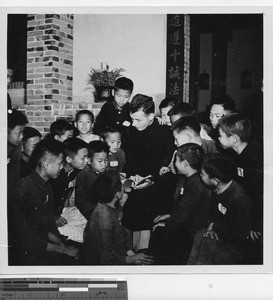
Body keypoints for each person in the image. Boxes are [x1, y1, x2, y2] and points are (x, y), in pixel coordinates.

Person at [10, 139, 79, 265]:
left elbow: (46, 226)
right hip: (29, 252)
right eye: (60, 163)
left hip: (45, 242)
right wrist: (62, 249)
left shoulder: (47, 187)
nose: (62, 167)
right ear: (46, 164)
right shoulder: (22, 191)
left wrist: (61, 244)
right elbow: (25, 238)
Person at [122, 94, 175, 250]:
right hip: (135, 185)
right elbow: (129, 162)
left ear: (151, 116)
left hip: (157, 189)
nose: (133, 123)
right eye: (132, 119)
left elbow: (166, 168)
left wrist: (150, 180)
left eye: (138, 120)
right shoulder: (131, 132)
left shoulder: (165, 134)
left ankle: (143, 254)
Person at [150, 143, 211, 265]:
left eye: (175, 160)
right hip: (186, 225)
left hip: (189, 232)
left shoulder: (195, 184)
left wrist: (167, 225)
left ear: (185, 164)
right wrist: (169, 216)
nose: (173, 163)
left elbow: (184, 215)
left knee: (159, 233)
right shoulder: (191, 179)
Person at [217, 113, 263, 262]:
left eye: (221, 135)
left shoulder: (254, 159)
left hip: (255, 219)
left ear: (234, 139)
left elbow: (260, 195)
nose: (218, 139)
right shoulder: (236, 155)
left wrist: (256, 224)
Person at [82, 170, 154, 265]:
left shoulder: (110, 207)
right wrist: (132, 259)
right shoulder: (103, 218)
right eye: (121, 184)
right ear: (117, 193)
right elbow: (106, 258)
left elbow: (121, 233)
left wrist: (130, 253)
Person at [197, 153, 252, 264]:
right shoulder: (217, 188)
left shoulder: (238, 198)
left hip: (233, 245)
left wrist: (215, 227)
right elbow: (215, 212)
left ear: (215, 181)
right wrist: (211, 225)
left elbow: (239, 232)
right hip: (218, 229)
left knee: (206, 242)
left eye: (202, 174)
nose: (200, 176)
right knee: (200, 237)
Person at [50, 138, 89, 227]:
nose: (87, 161)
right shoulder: (55, 176)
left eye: (87, 157)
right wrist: (54, 217)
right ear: (68, 159)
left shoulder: (74, 171)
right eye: (83, 158)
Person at [75, 140, 109, 220]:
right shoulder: (83, 176)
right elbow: (81, 201)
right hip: (91, 213)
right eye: (100, 161)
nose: (104, 164)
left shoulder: (109, 173)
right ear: (89, 161)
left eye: (106, 160)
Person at [8, 109, 28, 196]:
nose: (22, 136)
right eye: (19, 133)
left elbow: (13, 176)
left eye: (23, 132)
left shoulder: (16, 145)